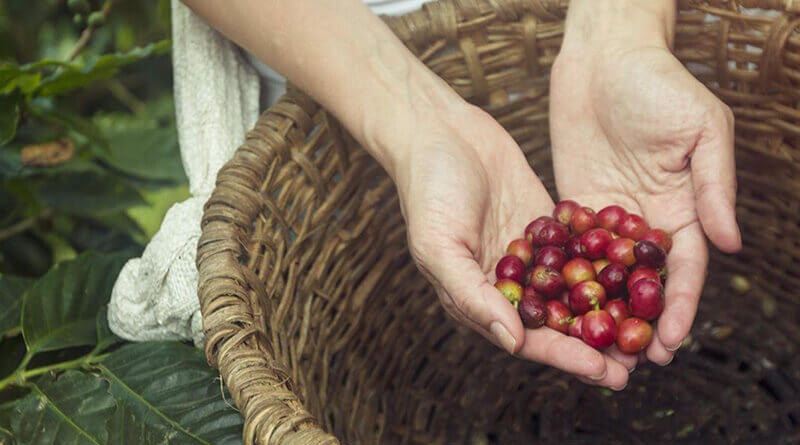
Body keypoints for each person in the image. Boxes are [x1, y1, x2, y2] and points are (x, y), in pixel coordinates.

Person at [183, 0, 741, 391]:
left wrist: (623, 27)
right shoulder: (584, 272)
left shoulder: (584, 266)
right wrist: (414, 119)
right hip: (322, 51)